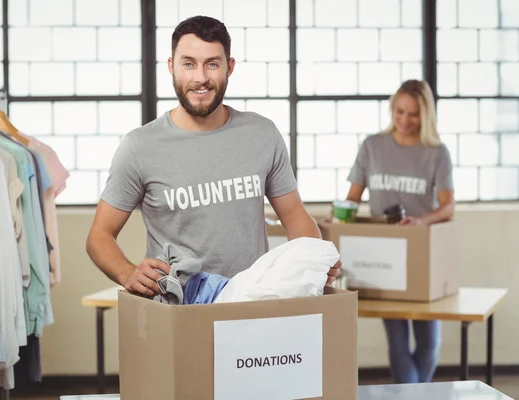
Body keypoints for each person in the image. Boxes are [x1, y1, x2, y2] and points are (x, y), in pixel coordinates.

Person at [86, 15, 341, 297]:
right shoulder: (139, 147)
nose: (200, 78)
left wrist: (315, 257)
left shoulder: (262, 134)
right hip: (178, 309)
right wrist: (126, 271)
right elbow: (99, 236)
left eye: (212, 64)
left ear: (229, 67)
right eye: (188, 64)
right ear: (171, 67)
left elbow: (294, 216)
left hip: (252, 303)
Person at [345, 79, 455, 383]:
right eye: (399, 112)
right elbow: (352, 200)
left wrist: (422, 221)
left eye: (413, 114)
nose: (404, 121)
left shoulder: (437, 153)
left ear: (426, 115)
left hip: (422, 253)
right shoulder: (372, 146)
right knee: (397, 339)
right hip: (385, 256)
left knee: (430, 343)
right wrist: (336, 218)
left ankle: (410, 394)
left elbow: (448, 207)